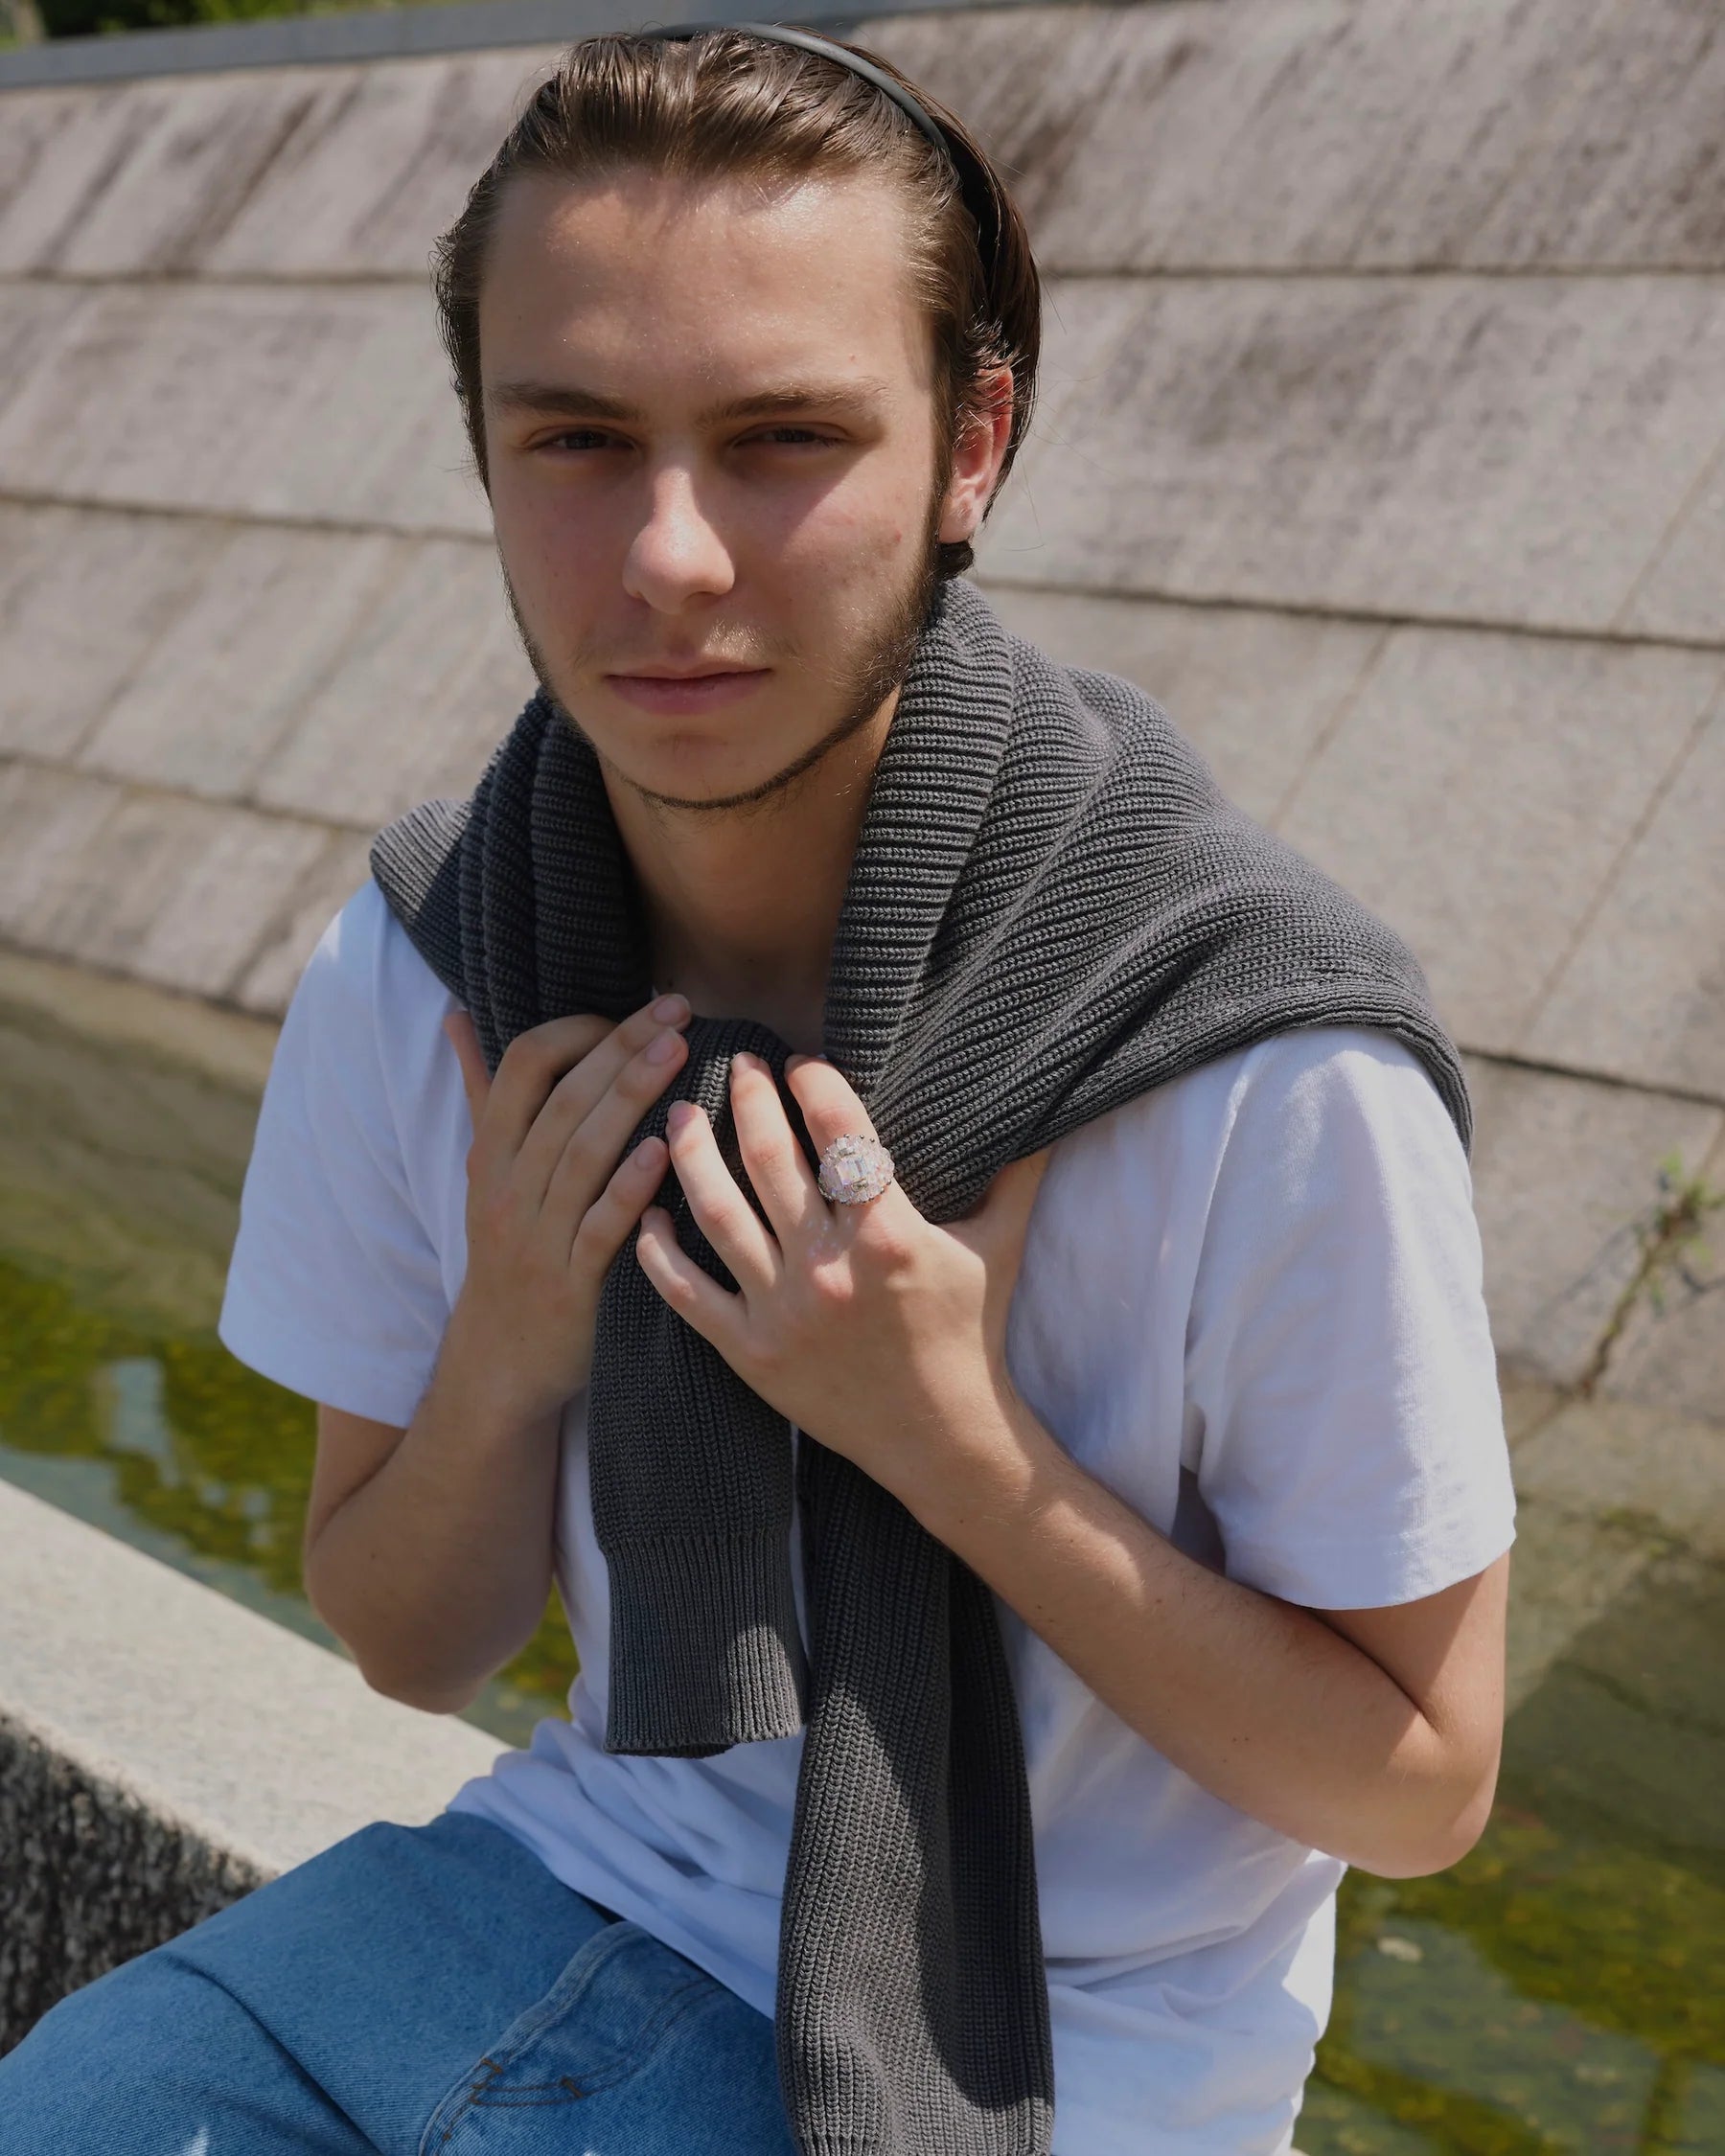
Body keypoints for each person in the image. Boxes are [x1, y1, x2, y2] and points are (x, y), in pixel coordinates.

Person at [2, 25, 1515, 2156]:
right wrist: (513, 1337)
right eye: (577, 438)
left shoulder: (1263, 1060)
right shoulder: (437, 961)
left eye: (784, 437)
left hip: (1058, 2049)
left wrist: (953, 1440)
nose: (672, 561)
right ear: (481, 447)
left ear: (973, 445)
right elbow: (408, 1645)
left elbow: (1423, 1785)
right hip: (547, 1886)